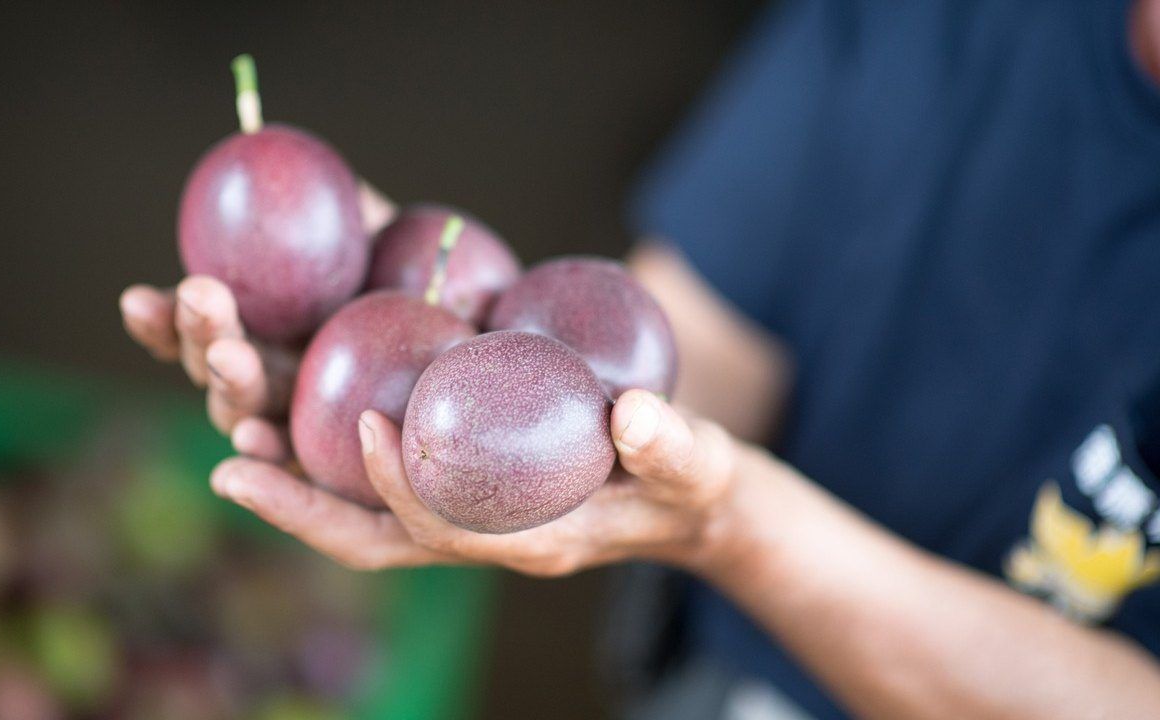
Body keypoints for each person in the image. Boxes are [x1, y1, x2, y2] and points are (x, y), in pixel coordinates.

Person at [120, 0, 1160, 717]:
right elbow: (668, 354)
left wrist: (732, 524)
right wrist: (431, 334)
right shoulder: (935, 20)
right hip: (723, 673)